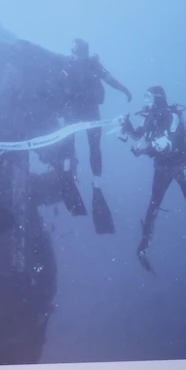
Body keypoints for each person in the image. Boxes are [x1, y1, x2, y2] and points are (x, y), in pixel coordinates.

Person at [121, 86, 186, 272]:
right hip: (161, 168)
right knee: (153, 204)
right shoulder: (150, 117)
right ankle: (143, 245)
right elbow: (138, 134)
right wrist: (127, 128)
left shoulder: (172, 116)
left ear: (157, 98)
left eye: (148, 97)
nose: (145, 101)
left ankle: (144, 244)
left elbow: (167, 145)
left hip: (179, 168)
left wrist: (143, 150)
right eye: (145, 97)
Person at [61, 38, 132, 234]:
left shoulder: (88, 64)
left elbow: (109, 80)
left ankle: (88, 180)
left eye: (77, 51)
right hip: (81, 112)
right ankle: (76, 175)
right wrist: (124, 89)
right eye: (75, 52)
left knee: (82, 145)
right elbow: (108, 80)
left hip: (81, 113)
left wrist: (124, 89)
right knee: (76, 145)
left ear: (82, 51)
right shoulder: (81, 64)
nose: (76, 55)